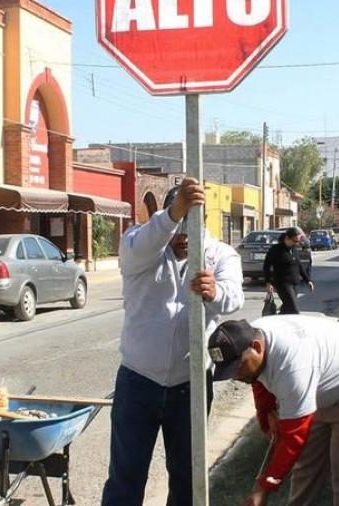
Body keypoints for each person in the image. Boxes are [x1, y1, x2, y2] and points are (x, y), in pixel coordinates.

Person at [101, 177, 245, 506]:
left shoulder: (220, 254)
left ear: (204, 221)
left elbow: (233, 296)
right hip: (138, 380)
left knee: (186, 478)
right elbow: (142, 245)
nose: (182, 234)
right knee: (126, 476)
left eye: (190, 222)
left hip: (190, 383)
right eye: (176, 221)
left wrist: (216, 293)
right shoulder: (140, 244)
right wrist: (172, 214)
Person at [207, 316, 339, 506]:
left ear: (257, 347)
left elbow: (294, 439)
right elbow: (257, 378)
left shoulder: (292, 366)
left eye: (238, 367)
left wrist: (262, 489)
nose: (236, 376)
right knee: (305, 469)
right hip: (317, 383)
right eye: (230, 371)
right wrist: (266, 416)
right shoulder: (252, 336)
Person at [263, 228, 313, 315]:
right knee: (295, 310)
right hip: (283, 284)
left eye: (297, 241)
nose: (296, 243)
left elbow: (299, 265)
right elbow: (266, 266)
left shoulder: (293, 249)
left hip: (295, 284)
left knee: (287, 310)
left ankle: (277, 324)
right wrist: (268, 282)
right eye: (295, 241)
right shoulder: (275, 249)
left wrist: (307, 280)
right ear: (287, 238)